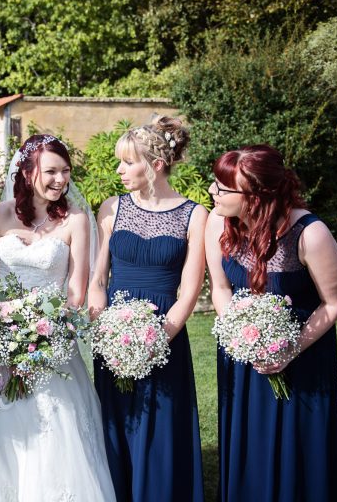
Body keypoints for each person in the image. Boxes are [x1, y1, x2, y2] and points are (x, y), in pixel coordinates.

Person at [0, 134, 116, 501]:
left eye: (65, 171)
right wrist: (9, 332)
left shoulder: (75, 219)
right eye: (51, 171)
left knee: (55, 434)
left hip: (53, 342)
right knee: (6, 439)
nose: (60, 179)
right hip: (2, 344)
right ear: (27, 171)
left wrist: (42, 332)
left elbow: (76, 292)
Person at [205, 144, 337, 501]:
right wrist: (241, 337)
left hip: (302, 355)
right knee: (248, 440)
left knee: (297, 447)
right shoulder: (217, 222)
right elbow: (220, 289)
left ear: (254, 197)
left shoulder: (310, 233)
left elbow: (334, 300)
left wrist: (289, 349)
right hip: (242, 355)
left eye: (222, 187)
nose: (211, 191)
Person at [88, 116, 207, 501]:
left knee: (161, 425)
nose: (119, 171)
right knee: (116, 423)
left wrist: (157, 339)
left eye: (128, 162)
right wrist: (104, 328)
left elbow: (189, 289)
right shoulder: (112, 208)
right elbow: (97, 279)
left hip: (164, 335)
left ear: (155, 165)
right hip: (113, 336)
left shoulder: (195, 215)